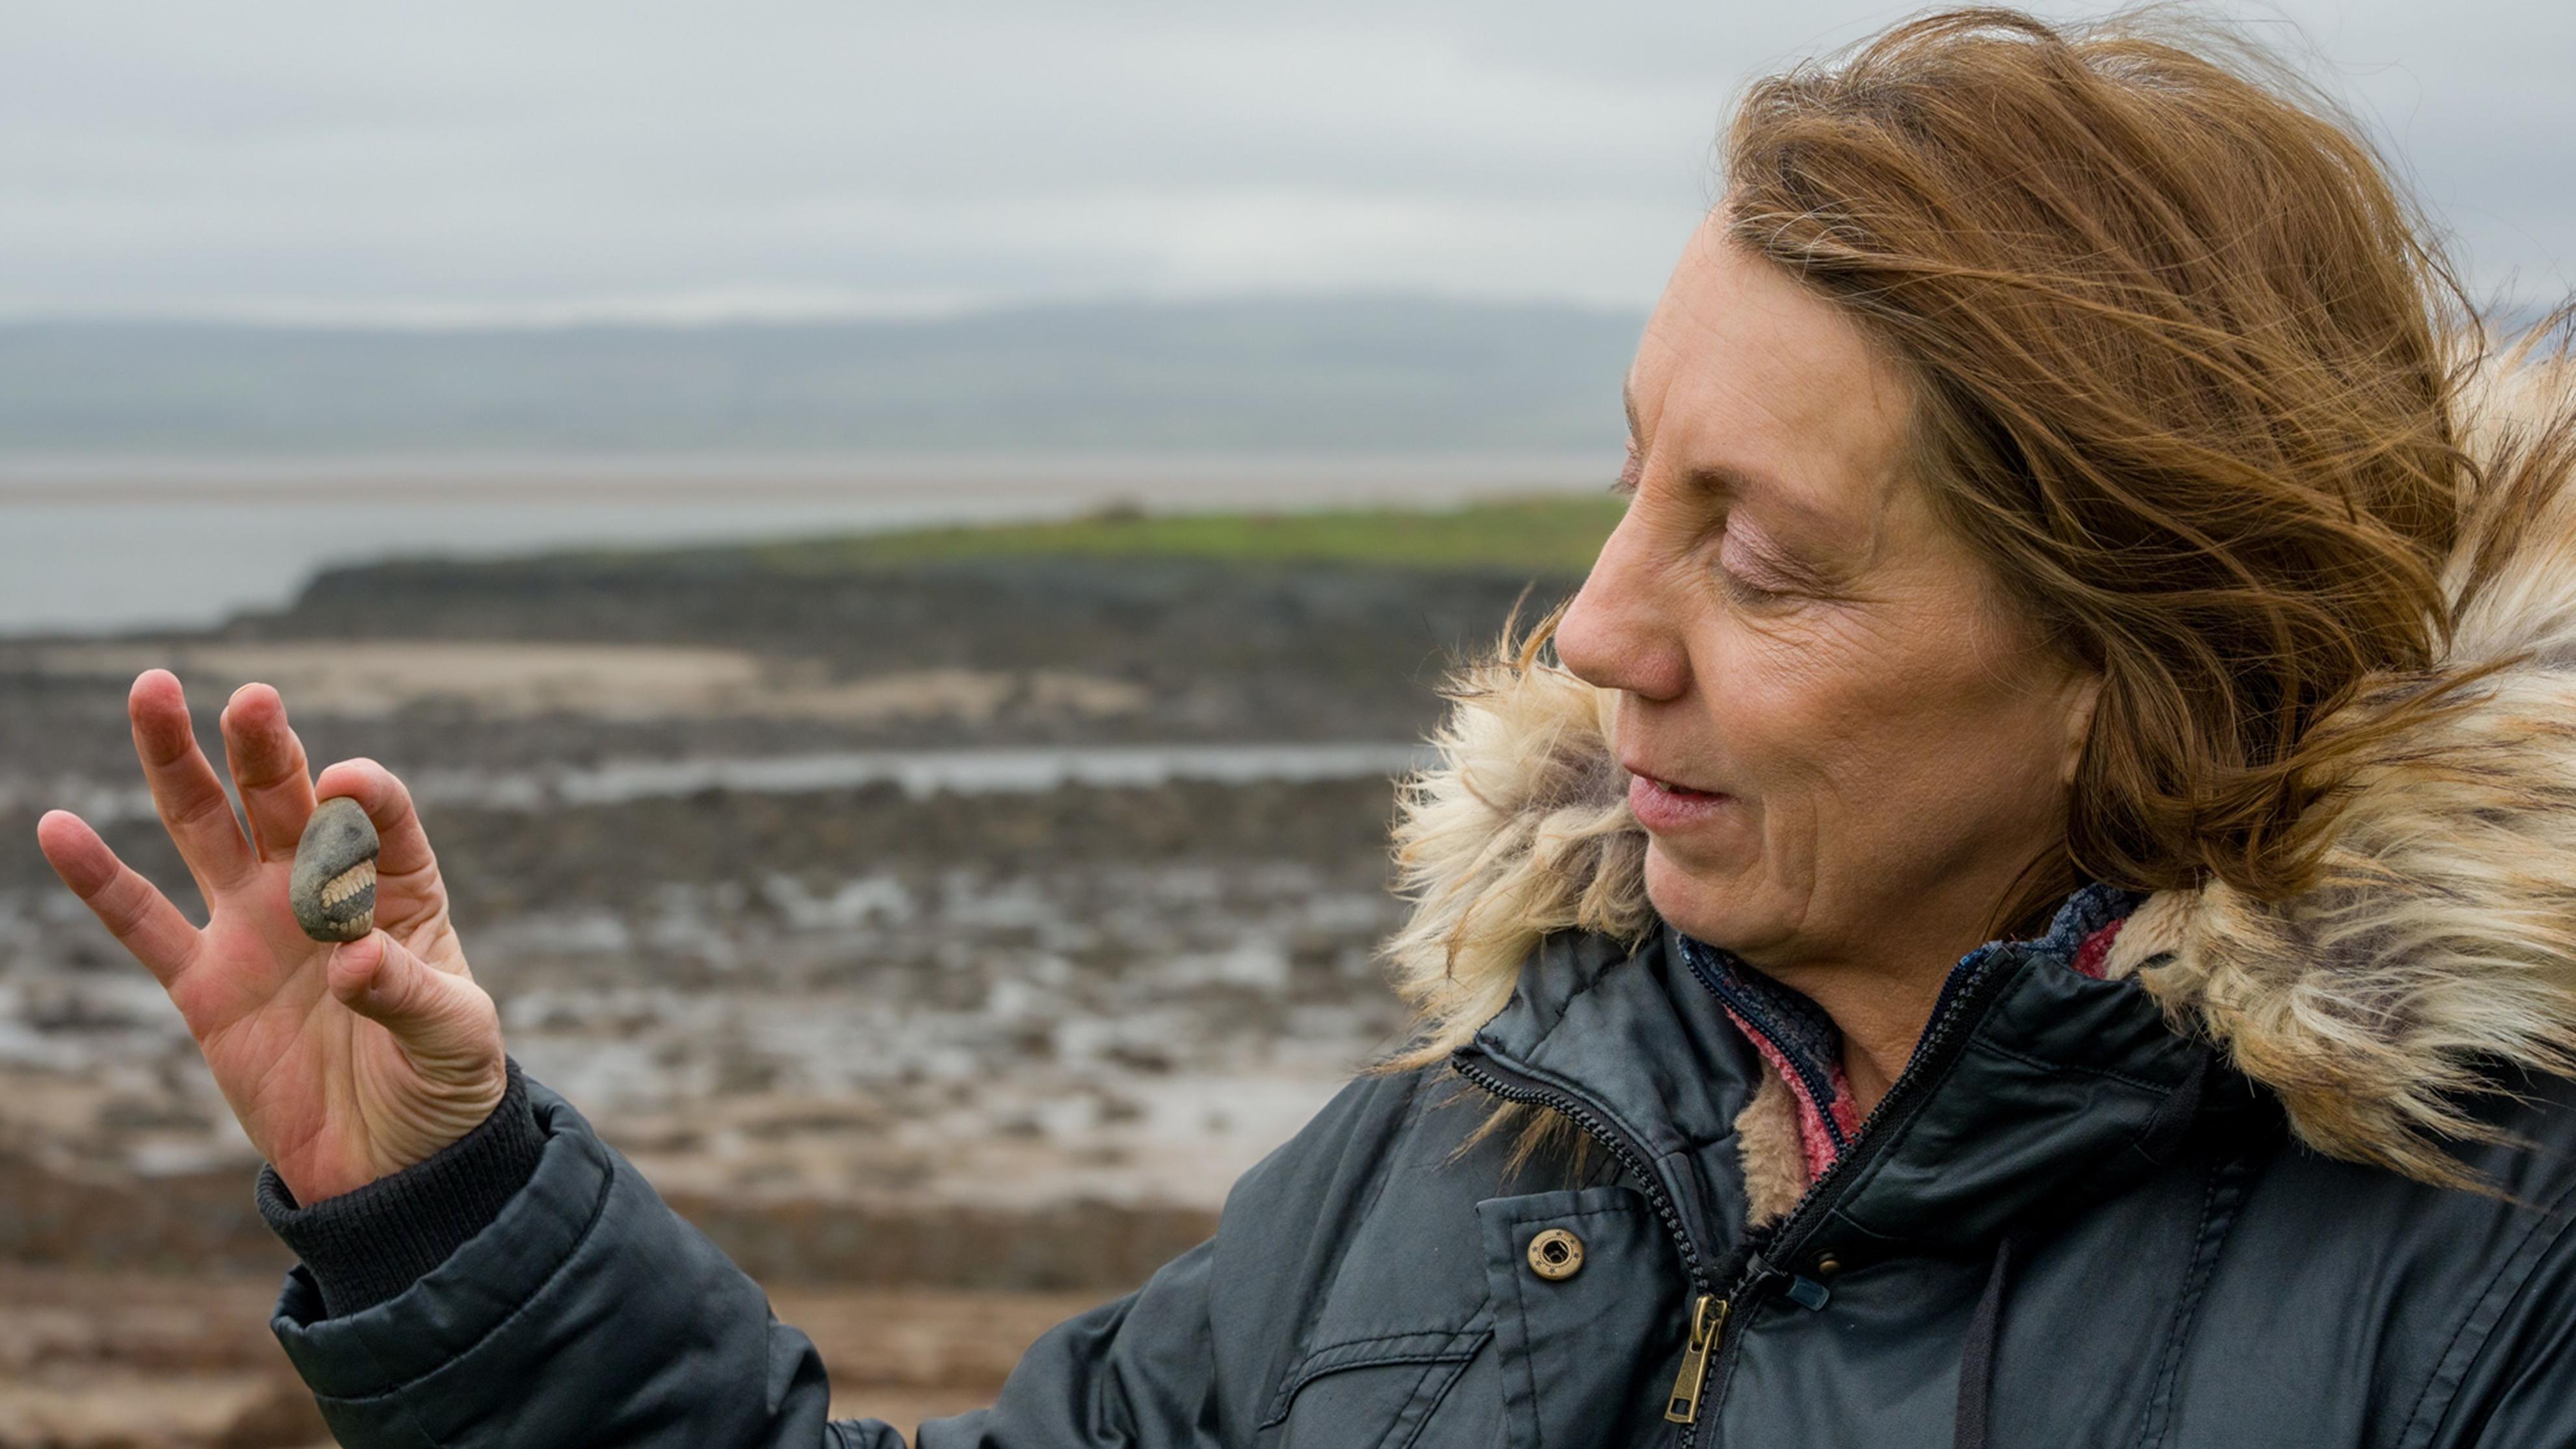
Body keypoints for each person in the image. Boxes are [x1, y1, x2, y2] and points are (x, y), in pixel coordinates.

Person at [36, 9, 2576, 1446]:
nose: (1598, 628)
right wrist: (454, 1207)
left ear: (2144, 656)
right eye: (1629, 483)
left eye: (1763, 552)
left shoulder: (2486, 1285)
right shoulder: (1438, 1178)